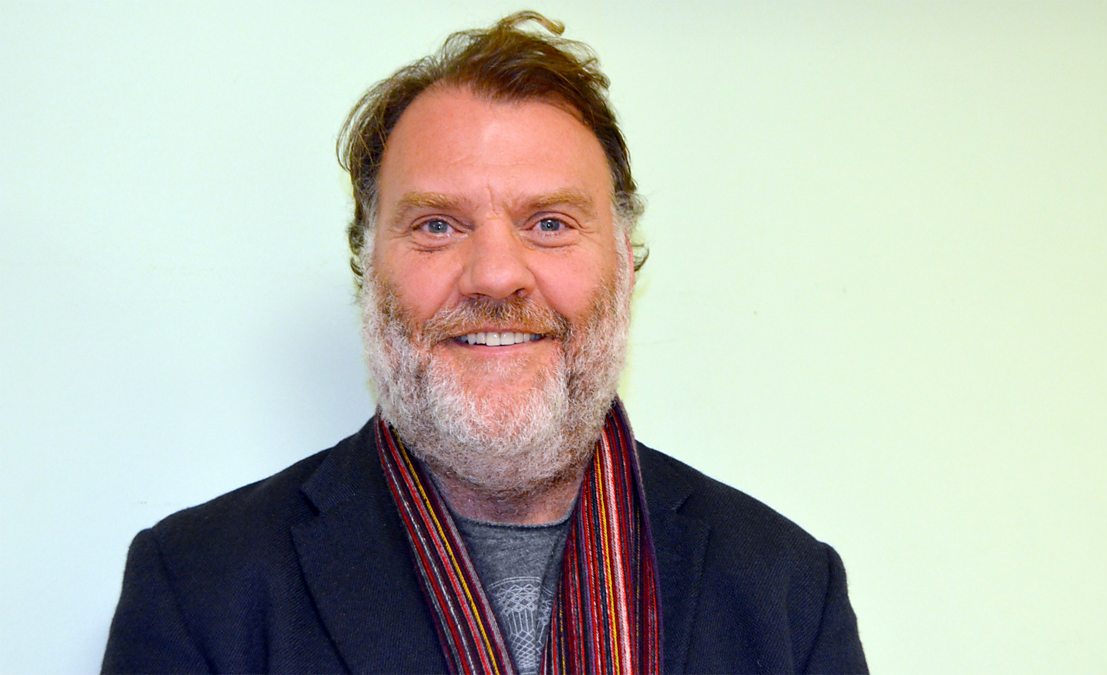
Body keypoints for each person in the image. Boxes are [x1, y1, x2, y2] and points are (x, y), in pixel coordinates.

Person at [102, 11, 867, 674]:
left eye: (550, 223)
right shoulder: (198, 588)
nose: (497, 274)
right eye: (437, 225)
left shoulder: (789, 592)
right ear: (368, 270)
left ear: (626, 262)